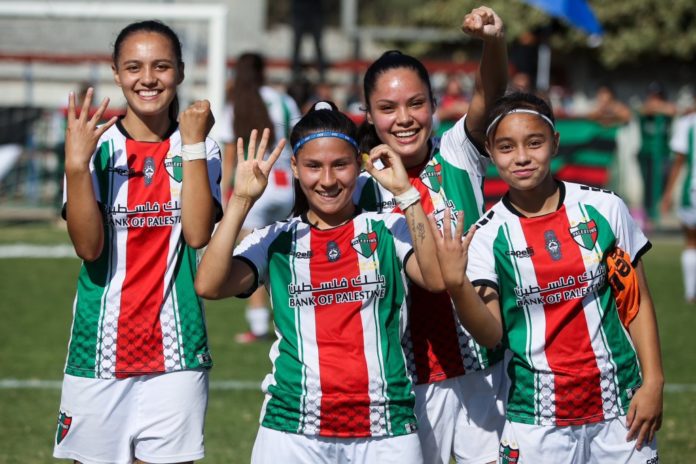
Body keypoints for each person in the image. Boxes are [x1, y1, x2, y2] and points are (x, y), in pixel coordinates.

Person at [195, 102, 444, 463]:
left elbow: (436, 279)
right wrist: (241, 201)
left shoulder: (388, 229)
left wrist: (406, 195)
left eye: (340, 165)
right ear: (294, 168)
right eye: (313, 166)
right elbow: (209, 285)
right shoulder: (275, 240)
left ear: (359, 165)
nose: (327, 180)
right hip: (293, 428)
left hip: (385, 426)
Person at [430, 92, 663, 463]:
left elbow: (637, 302)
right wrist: (458, 285)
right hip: (535, 420)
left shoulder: (604, 208)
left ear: (554, 143)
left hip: (621, 410)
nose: (521, 157)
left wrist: (653, 383)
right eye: (506, 147)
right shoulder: (487, 236)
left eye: (534, 142)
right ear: (489, 152)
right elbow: (491, 334)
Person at [54, 20, 222, 463]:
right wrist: (76, 167)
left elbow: (198, 233)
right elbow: (89, 248)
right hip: (99, 347)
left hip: (177, 350)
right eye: (134, 67)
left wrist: (192, 146)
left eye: (161, 66)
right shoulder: (93, 145)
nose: (147, 78)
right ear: (116, 73)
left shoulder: (202, 147)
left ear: (181, 73)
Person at [354, 6, 508, 464]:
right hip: (408, 374)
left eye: (415, 103)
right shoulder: (359, 190)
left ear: (434, 105)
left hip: (487, 365)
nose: (404, 118)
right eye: (387, 108)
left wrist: (493, 42)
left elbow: (490, 91)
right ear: (368, 115)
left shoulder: (459, 152)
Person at [219, 52, 301, 343]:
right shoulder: (284, 101)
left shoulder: (235, 105)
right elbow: (300, 140)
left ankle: (258, 326)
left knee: (252, 255)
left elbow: (229, 157)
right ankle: (296, 319)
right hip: (289, 185)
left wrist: (227, 196)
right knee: (291, 256)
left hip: (256, 189)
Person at [661, 108, 696, 303]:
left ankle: (691, 293)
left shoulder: (688, 122)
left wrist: (668, 193)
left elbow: (679, 161)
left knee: (691, 240)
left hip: (692, 190)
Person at [638, 81, 677, 223]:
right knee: (648, 185)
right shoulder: (645, 108)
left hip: (663, 153)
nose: (655, 99)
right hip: (647, 153)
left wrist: (658, 107)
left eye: (658, 96)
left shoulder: (667, 107)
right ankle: (649, 215)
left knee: (663, 183)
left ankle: (661, 212)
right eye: (652, 96)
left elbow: (672, 110)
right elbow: (643, 110)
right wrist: (656, 108)